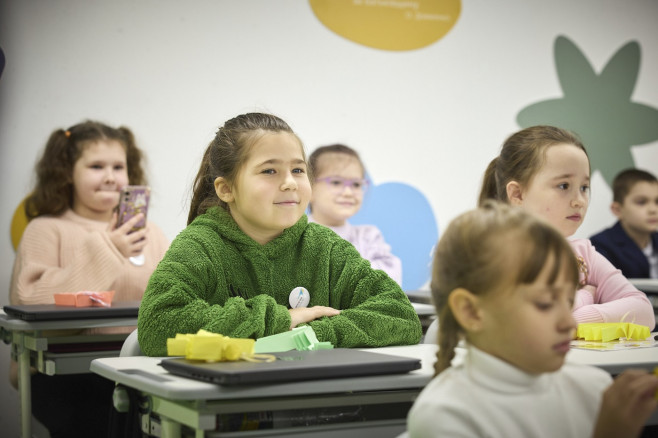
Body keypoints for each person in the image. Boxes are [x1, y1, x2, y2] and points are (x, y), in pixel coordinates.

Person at [137, 113, 422, 356]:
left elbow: (399, 315)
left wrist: (305, 333)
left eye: (298, 170)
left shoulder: (324, 246)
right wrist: (280, 319)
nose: (289, 183)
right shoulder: (200, 245)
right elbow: (158, 324)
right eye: (269, 171)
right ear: (226, 189)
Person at [406, 201, 658, 438]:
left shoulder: (593, 388)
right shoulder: (446, 417)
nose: (570, 323)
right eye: (545, 304)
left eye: (569, 301)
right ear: (471, 312)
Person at [9, 120, 170, 438]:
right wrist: (109, 248)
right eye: (96, 166)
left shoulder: (150, 233)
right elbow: (30, 299)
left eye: (118, 166)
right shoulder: (46, 229)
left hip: (137, 366)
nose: (110, 176)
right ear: (68, 172)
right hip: (67, 371)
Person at [478, 125, 655, 329]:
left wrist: (577, 316)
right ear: (517, 194)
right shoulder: (492, 255)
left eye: (584, 187)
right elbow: (528, 325)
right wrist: (585, 296)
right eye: (563, 186)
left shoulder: (583, 253)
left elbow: (643, 312)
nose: (579, 200)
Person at [308, 143, 402, 284]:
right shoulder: (296, 234)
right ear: (309, 188)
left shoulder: (368, 237)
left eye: (356, 184)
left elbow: (391, 279)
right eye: (336, 182)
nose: (348, 192)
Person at [590, 168, 658, 279]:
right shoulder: (600, 246)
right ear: (617, 210)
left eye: (657, 202)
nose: (653, 210)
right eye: (642, 202)